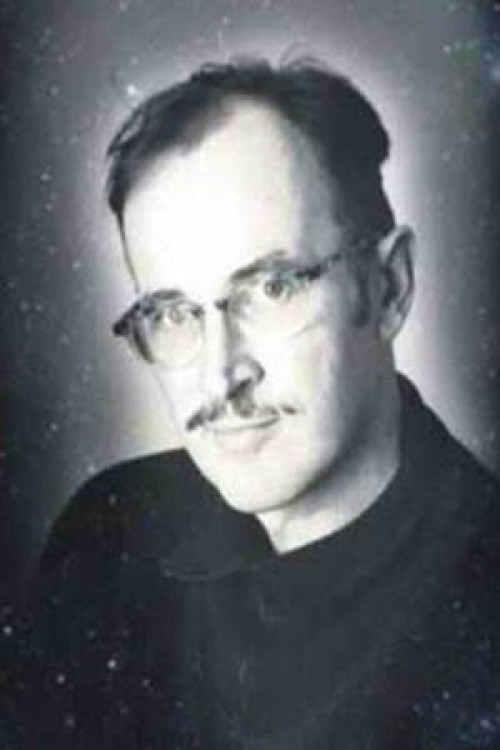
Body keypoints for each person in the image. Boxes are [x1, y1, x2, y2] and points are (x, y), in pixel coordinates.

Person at [3, 57, 500, 750]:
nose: (220, 376)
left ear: (388, 286)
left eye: (271, 289)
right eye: (172, 312)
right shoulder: (105, 534)